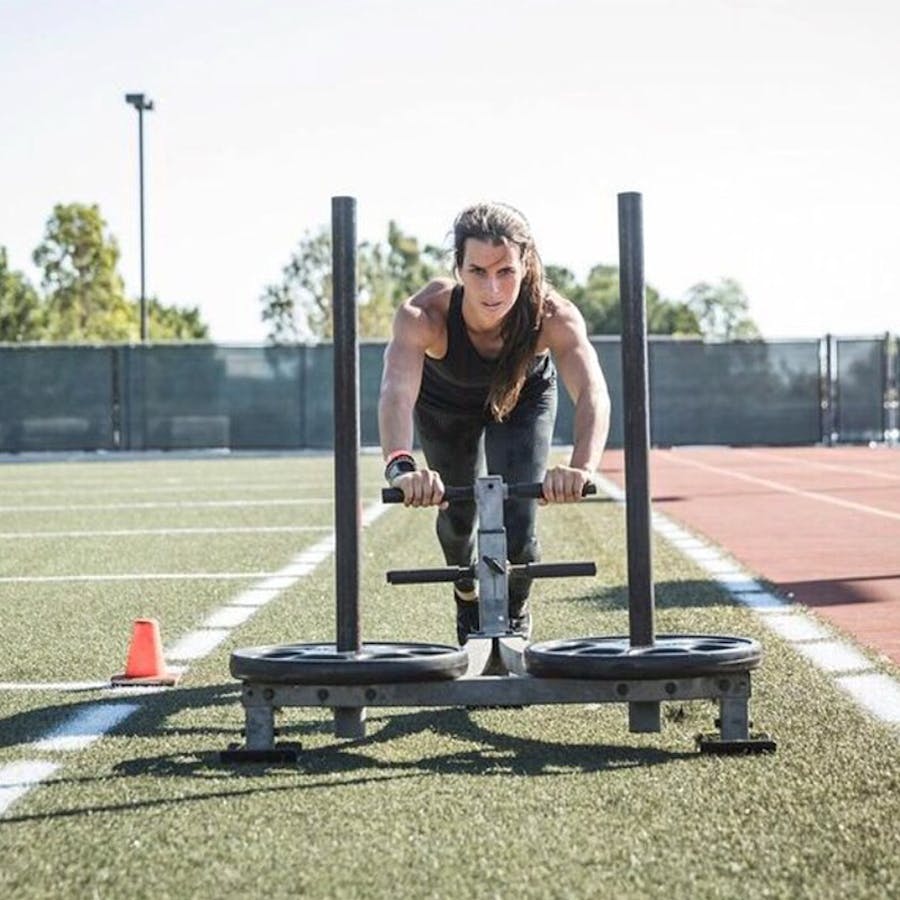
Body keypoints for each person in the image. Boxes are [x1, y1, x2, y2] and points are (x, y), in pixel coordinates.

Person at [378, 201, 611, 644]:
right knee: (457, 515)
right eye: (478, 271)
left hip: (523, 399)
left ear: (526, 266)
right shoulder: (424, 316)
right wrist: (402, 467)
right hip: (445, 405)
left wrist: (582, 468)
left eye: (505, 271)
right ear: (458, 269)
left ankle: (515, 607)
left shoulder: (552, 315)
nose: (492, 288)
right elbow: (396, 392)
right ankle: (465, 594)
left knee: (519, 527)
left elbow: (592, 392)